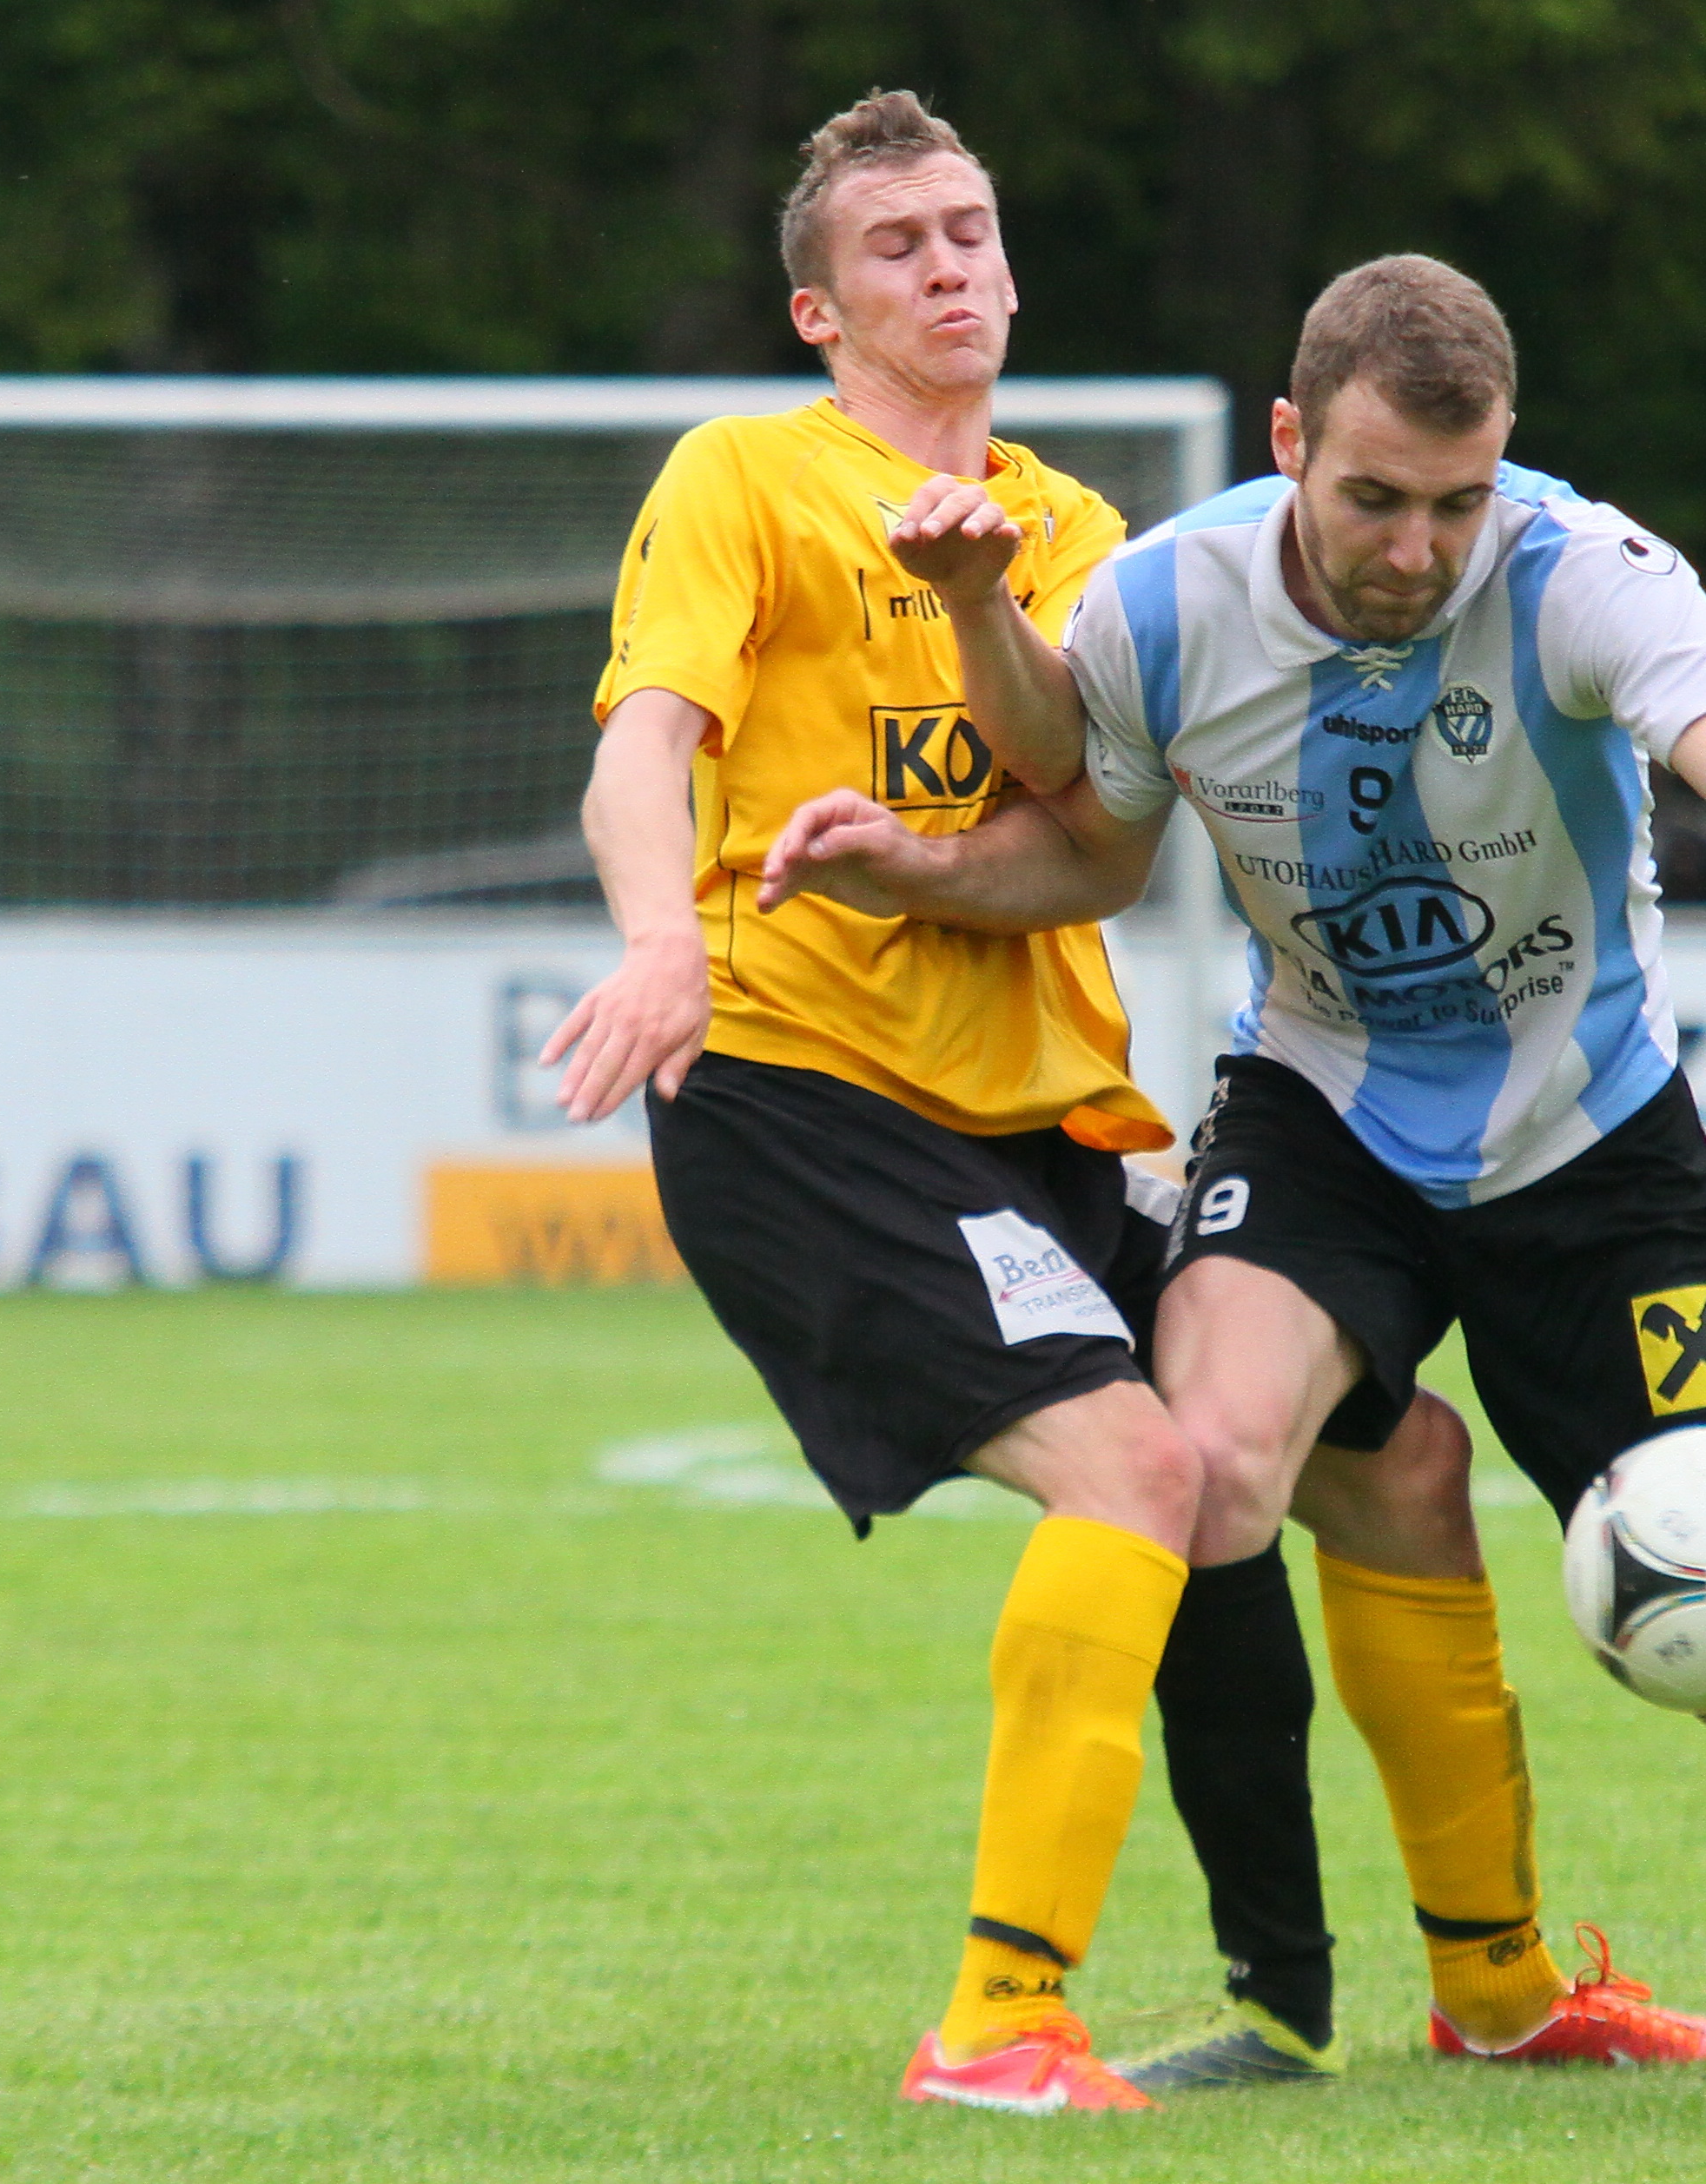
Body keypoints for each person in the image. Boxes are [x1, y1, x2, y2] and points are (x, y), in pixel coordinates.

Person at [762, 254, 1706, 2068]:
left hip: (1599, 1155)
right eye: (1375, 500)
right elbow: (1088, 843)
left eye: (1458, 501)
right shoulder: (1161, 599)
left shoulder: (1585, 575)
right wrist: (918, 873)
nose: (1420, 550)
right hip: (1322, 1110)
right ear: (1288, 442)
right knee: (1211, 1463)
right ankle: (1286, 2004)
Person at [538, 90, 1458, 2117]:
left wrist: (945, 771)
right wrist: (661, 935)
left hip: (1038, 1125)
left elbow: (1095, 848)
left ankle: (1461, 1987)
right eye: (897, 245)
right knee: (1137, 1468)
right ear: (818, 310)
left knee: (1388, 1460)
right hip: (798, 1092)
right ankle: (995, 2024)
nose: (947, 265)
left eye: (969, 231)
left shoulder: (1080, 538)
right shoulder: (748, 479)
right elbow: (641, 747)